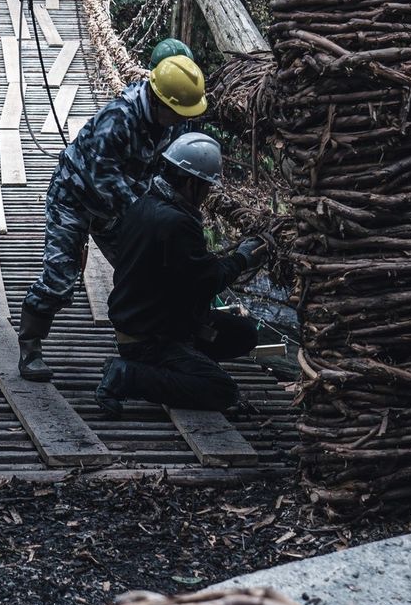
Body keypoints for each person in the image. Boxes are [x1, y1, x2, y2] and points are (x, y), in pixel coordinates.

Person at [18, 48, 207, 382]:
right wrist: (150, 221)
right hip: (74, 197)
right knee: (61, 277)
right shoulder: (117, 120)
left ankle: (147, 344)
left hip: (121, 203)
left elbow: (169, 173)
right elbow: (104, 180)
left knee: (146, 270)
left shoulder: (175, 120)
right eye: (177, 113)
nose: (181, 120)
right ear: (159, 100)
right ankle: (30, 345)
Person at [94, 132, 267, 416]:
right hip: (150, 336)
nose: (208, 194)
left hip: (150, 319)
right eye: (206, 187)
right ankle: (127, 375)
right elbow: (206, 281)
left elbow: (190, 272)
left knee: (244, 333)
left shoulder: (144, 204)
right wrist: (242, 259)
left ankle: (179, 365)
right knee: (221, 390)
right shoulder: (176, 223)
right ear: (191, 183)